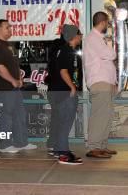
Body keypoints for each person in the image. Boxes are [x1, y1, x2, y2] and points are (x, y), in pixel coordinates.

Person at [0, 19, 37, 153]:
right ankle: (4, 145)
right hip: (4, 88)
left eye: (10, 27)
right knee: (5, 117)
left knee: (20, 115)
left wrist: (19, 78)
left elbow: (14, 65)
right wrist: (12, 80)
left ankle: (21, 142)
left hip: (15, 87)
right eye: (7, 27)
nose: (10, 30)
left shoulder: (9, 45)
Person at [46, 24, 83, 165]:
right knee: (65, 122)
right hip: (63, 92)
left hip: (57, 91)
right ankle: (63, 153)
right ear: (75, 35)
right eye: (79, 34)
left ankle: (58, 149)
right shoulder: (66, 50)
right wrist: (72, 87)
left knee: (61, 121)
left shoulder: (63, 50)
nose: (81, 37)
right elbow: (63, 71)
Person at [84, 12, 117, 159]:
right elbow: (110, 55)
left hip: (105, 83)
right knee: (99, 116)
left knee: (106, 116)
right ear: (103, 22)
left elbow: (107, 61)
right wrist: (113, 51)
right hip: (100, 82)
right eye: (107, 23)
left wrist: (114, 82)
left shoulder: (98, 38)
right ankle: (94, 147)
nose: (107, 26)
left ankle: (102, 146)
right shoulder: (93, 38)